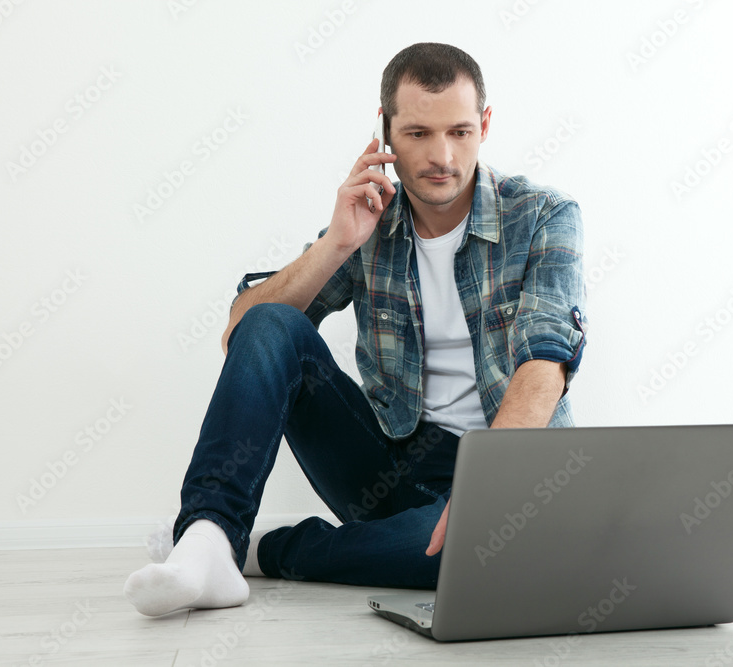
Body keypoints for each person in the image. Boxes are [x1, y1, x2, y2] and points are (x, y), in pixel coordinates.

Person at [124, 42, 587, 617]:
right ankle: (210, 533)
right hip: (387, 466)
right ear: (385, 131)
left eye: (460, 132)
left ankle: (252, 549)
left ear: (485, 125)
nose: (442, 155)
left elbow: (544, 363)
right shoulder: (373, 219)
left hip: (501, 469)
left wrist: (487, 491)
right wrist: (337, 242)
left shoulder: (543, 215)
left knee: (471, 553)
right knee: (274, 320)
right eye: (418, 134)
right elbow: (244, 337)